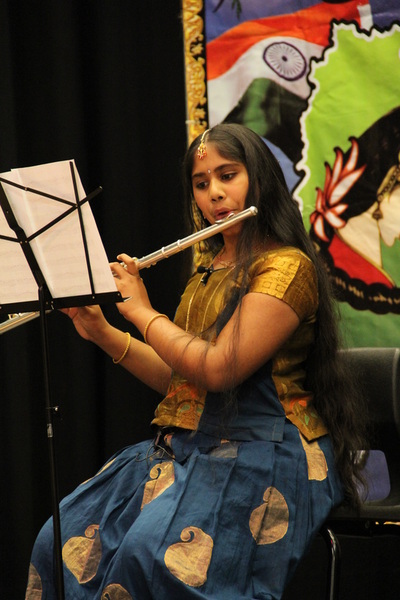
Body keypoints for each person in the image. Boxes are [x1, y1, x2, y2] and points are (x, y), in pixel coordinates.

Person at [26, 123, 366, 600]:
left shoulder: (287, 267)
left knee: (150, 558)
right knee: (58, 542)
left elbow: (219, 369)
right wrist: (101, 330)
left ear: (260, 179)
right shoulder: (208, 267)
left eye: (228, 175)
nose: (215, 193)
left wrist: (141, 311)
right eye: (202, 183)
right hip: (188, 447)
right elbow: (182, 380)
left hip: (264, 450)